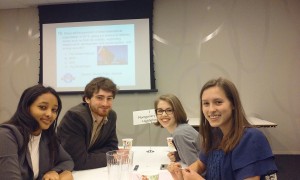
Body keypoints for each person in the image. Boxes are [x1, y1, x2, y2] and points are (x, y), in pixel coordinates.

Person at [168, 77, 278, 180]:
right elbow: (201, 163)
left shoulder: (251, 139)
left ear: (233, 104)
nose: (211, 109)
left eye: (218, 102)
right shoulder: (214, 133)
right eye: (206, 103)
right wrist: (184, 173)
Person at [0, 84, 74, 180]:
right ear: (26, 108)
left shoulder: (47, 135)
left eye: (54, 110)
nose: (49, 114)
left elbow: (67, 161)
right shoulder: (6, 135)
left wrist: (54, 171)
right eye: (42, 107)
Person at [57, 77, 119, 170]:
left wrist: (89, 155)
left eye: (109, 98)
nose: (105, 104)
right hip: (61, 170)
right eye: (99, 98)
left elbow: (112, 147)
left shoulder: (111, 116)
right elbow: (78, 162)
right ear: (87, 99)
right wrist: (112, 157)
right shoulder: (75, 117)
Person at [154, 94, 201, 166]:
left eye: (169, 110)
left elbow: (195, 168)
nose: (164, 114)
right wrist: (177, 156)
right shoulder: (181, 129)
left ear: (177, 112)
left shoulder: (180, 134)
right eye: (160, 111)